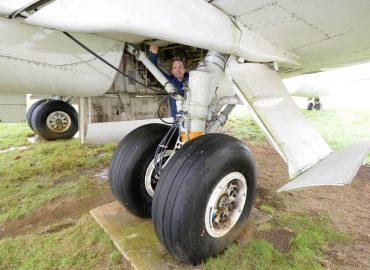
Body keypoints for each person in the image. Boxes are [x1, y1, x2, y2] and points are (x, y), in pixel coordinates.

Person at [148, 45, 189, 118]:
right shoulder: (169, 81)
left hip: (192, 119)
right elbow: (155, 70)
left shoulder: (192, 80)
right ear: (172, 71)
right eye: (175, 68)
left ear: (184, 69)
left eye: (180, 67)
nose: (178, 70)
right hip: (177, 119)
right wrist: (153, 54)